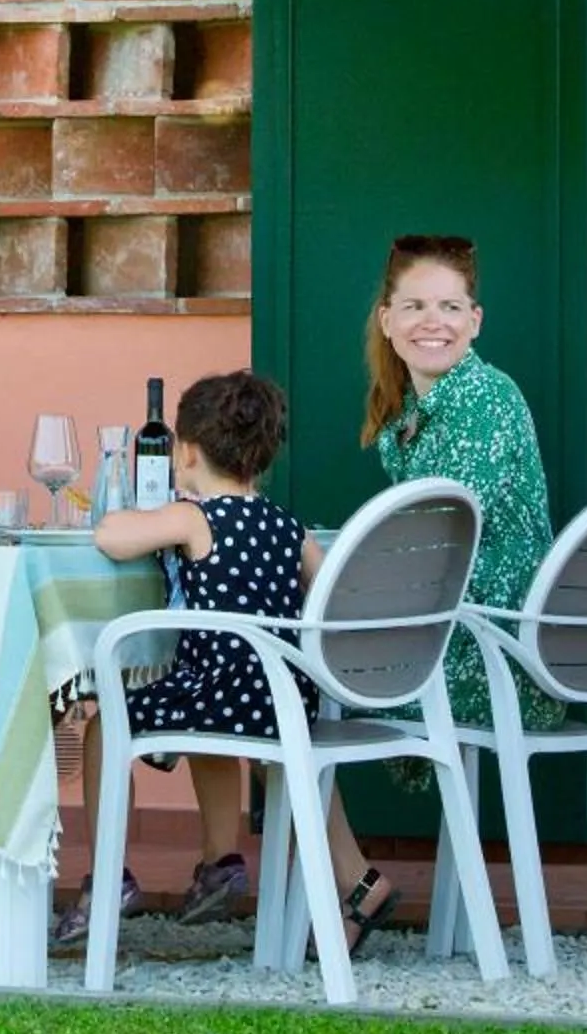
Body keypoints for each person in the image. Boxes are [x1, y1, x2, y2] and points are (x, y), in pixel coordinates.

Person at [55, 371, 388, 949]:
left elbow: (112, 536)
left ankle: (107, 880)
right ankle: (312, 875)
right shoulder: (290, 527)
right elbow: (328, 595)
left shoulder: (194, 517)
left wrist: (137, 514)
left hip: (221, 691)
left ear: (185, 451)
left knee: (106, 724)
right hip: (281, 696)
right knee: (216, 715)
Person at [361, 233, 560, 736]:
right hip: (451, 631)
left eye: (450, 306)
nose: (432, 322)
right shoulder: (415, 411)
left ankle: (321, 820)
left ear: (474, 321)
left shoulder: (483, 400)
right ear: (388, 321)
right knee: (266, 678)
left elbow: (436, 541)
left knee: (269, 676)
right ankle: (328, 822)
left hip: (492, 647)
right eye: (414, 306)